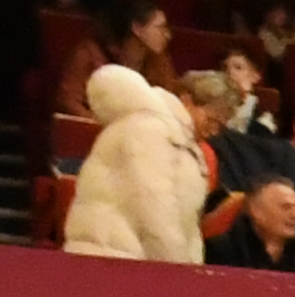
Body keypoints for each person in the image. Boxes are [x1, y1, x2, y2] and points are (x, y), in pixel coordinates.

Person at [60, 60, 205, 261]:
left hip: (108, 258)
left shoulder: (139, 128)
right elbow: (153, 206)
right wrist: (178, 269)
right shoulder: (147, 130)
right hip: (119, 264)